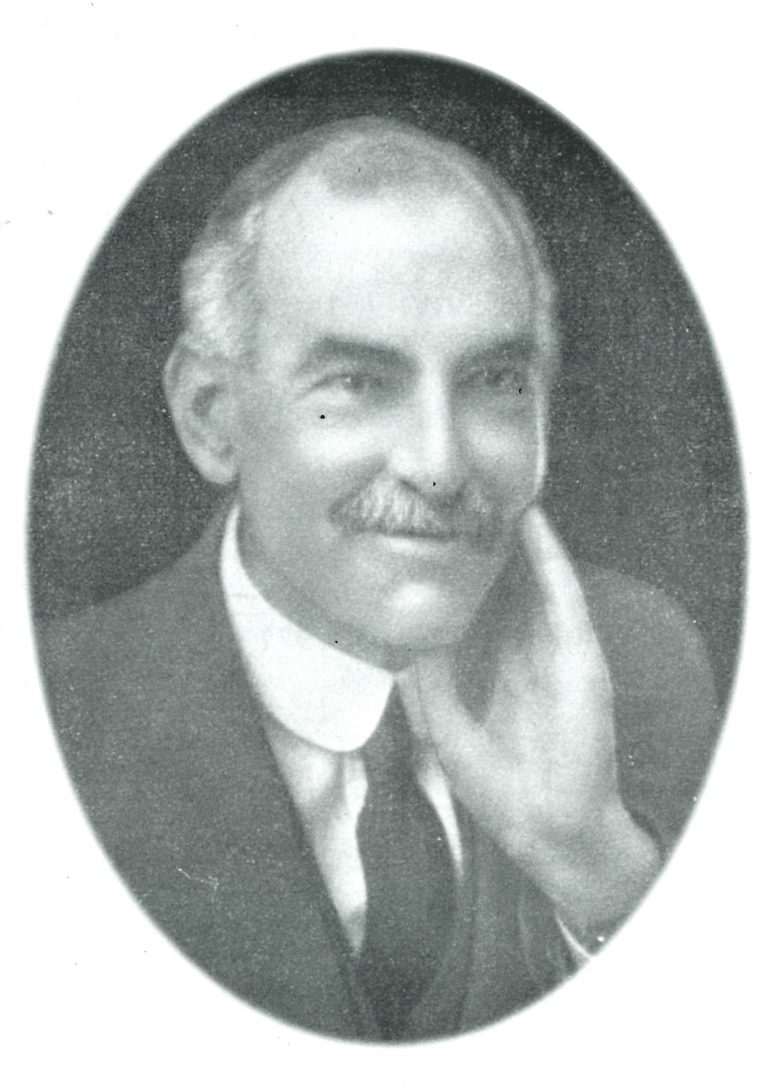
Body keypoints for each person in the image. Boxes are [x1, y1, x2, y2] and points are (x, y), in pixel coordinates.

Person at [39, 116, 720, 1042]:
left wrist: (594, 865)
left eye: (495, 380)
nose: (440, 465)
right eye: (357, 383)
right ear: (210, 415)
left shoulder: (643, 662)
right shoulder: (54, 710)